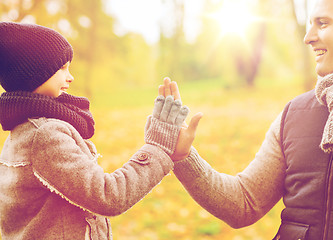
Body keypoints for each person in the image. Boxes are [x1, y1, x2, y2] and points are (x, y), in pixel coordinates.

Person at [160, 0, 333, 239]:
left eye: (323, 24)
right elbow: (244, 203)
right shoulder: (294, 114)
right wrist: (184, 157)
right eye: (310, 25)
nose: (308, 37)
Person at [0, 22, 200, 240]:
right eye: (62, 68)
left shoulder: (22, 131)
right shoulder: (46, 136)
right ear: (35, 73)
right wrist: (159, 147)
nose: (70, 77)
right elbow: (108, 195)